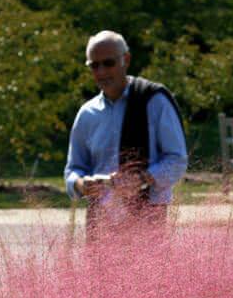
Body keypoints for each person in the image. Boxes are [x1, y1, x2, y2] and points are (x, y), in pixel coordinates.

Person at [64, 30, 188, 227]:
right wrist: (81, 184)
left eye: (108, 63)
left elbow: (177, 160)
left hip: (147, 217)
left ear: (126, 60)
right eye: (94, 65)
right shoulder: (87, 113)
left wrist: (142, 179)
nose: (101, 72)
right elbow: (73, 169)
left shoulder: (154, 101)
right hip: (100, 220)